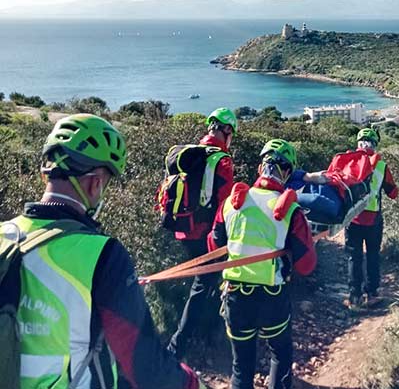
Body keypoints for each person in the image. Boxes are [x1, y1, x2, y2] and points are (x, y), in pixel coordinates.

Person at [0, 114, 201, 389]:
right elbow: (143, 364)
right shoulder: (103, 254)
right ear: (95, 183)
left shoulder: (4, 235)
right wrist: (190, 382)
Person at [208, 139, 317, 389]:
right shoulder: (291, 211)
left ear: (260, 168)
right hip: (271, 298)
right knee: (280, 353)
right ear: (287, 173)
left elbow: (214, 248)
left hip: (235, 296)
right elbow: (306, 266)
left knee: (241, 366)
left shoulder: (230, 203)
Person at [168, 107, 236, 359]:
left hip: (183, 229)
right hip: (207, 235)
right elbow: (224, 205)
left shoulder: (191, 154)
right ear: (227, 130)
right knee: (205, 286)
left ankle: (202, 334)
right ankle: (179, 345)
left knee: (202, 284)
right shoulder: (222, 161)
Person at [345, 128, 399, 309]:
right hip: (373, 219)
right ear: (374, 144)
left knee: (354, 256)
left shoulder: (349, 161)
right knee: (373, 255)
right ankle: (372, 293)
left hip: (351, 218)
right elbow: (393, 193)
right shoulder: (381, 165)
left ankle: (354, 297)